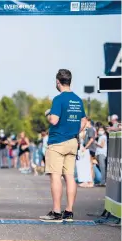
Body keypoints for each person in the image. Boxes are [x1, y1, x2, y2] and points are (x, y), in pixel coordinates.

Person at [40, 69, 87, 222]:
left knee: (55, 176)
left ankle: (56, 212)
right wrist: (73, 131)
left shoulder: (58, 99)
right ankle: (69, 211)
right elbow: (84, 121)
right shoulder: (78, 100)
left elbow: (54, 120)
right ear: (70, 81)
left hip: (58, 142)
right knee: (69, 176)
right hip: (73, 142)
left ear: (58, 82)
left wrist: (47, 114)